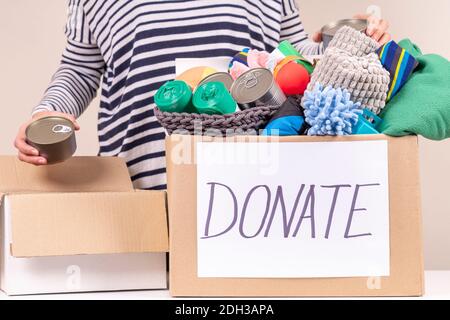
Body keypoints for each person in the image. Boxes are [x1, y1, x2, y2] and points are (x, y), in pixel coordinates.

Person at [14, 0, 391, 190]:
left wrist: (354, 43)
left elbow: (292, 61)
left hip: (250, 192)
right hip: (142, 190)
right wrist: (49, 111)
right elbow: (79, 70)